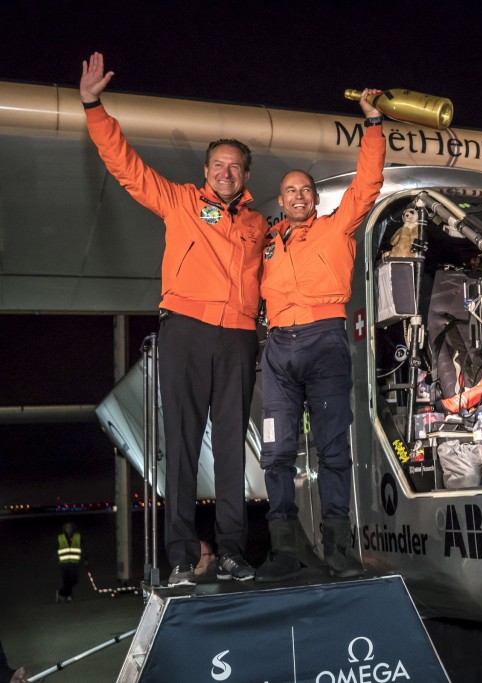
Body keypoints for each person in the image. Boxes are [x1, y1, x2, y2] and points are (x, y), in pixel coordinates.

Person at [80, 52, 266, 586]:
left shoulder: (258, 223)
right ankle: (182, 554)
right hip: (185, 329)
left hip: (237, 338)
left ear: (245, 175)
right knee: (181, 444)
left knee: (232, 446)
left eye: (235, 166)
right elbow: (126, 166)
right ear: (206, 172)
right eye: (218, 165)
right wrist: (94, 105)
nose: (226, 173)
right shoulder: (182, 202)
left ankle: (232, 551)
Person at [256, 90, 386, 581]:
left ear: (314, 198)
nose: (297, 196)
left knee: (334, 450)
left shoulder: (337, 228)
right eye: (289, 190)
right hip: (277, 350)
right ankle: (285, 551)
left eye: (305, 190)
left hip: (326, 340)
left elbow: (368, 183)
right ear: (282, 198)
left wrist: (372, 124)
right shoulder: (264, 240)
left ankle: (339, 549)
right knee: (277, 452)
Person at [56, 522, 82, 602]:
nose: (69, 529)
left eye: (70, 527)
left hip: (74, 562)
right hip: (64, 563)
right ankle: (68, 596)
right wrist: (57, 560)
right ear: (64, 529)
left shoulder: (77, 536)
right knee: (66, 581)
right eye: (67, 527)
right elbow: (56, 549)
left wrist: (85, 559)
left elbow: (82, 547)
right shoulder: (60, 537)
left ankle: (61, 593)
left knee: (74, 580)